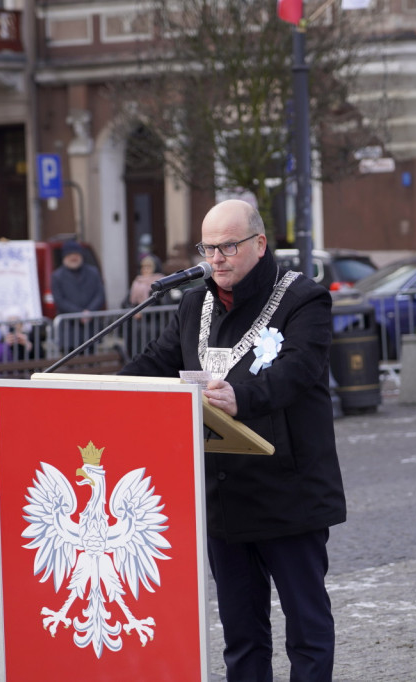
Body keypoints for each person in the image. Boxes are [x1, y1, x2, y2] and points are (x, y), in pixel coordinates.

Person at [119, 199, 346, 681]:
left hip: (290, 493)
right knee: (242, 637)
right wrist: (88, 392)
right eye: (209, 247)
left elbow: (299, 371)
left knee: (306, 628)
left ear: (259, 244)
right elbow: (154, 364)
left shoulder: (303, 300)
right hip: (224, 497)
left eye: (229, 246)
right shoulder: (193, 303)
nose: (217, 258)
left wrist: (241, 397)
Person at [50, 240, 106, 351]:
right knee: (71, 363)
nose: (73, 258)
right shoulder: (57, 276)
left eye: (76, 254)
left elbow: (100, 294)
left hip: (90, 328)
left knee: (91, 361)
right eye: (70, 255)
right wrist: (79, 314)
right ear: (64, 257)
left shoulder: (93, 272)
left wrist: (89, 311)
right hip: (69, 330)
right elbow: (59, 300)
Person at [120, 253, 164, 357]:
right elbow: (126, 302)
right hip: (135, 327)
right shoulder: (137, 282)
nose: (145, 269)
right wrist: (134, 311)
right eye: (143, 267)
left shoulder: (161, 282)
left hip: (153, 326)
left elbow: (162, 303)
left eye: (148, 267)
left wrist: (144, 312)